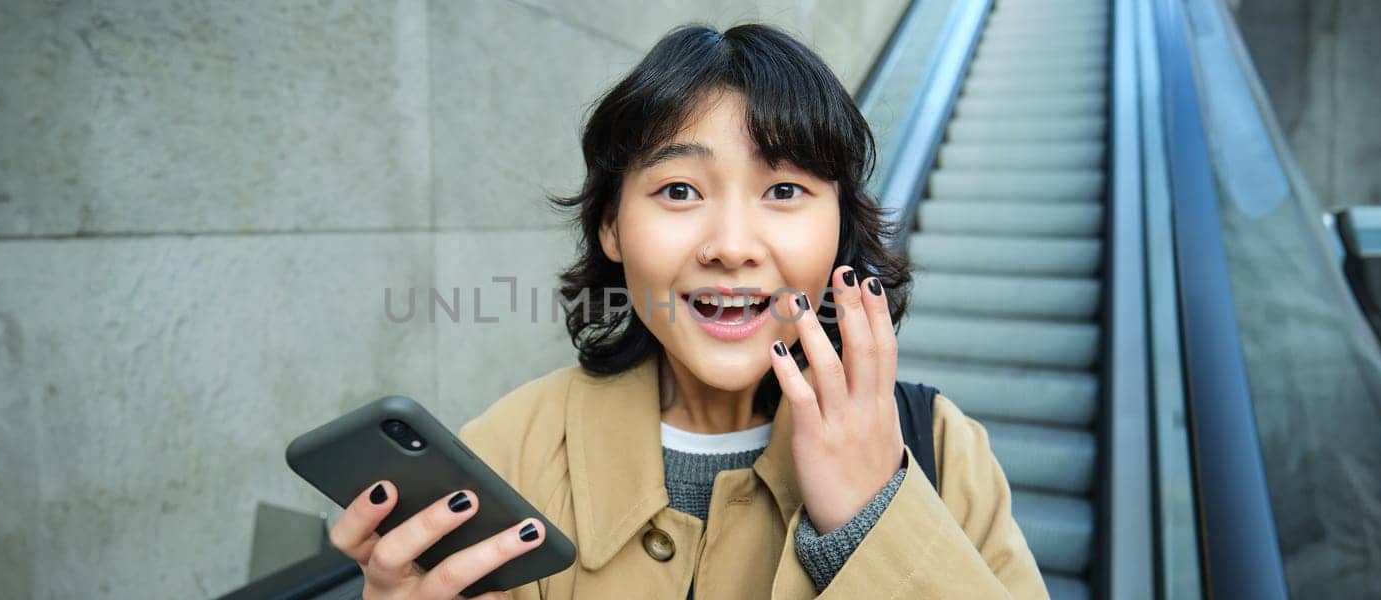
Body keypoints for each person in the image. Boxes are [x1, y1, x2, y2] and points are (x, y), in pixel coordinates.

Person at [327, 23, 1047, 599]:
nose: (731, 248)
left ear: (840, 229)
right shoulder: (506, 454)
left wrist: (871, 518)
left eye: (785, 190)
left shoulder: (940, 451)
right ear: (610, 226)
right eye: (678, 190)